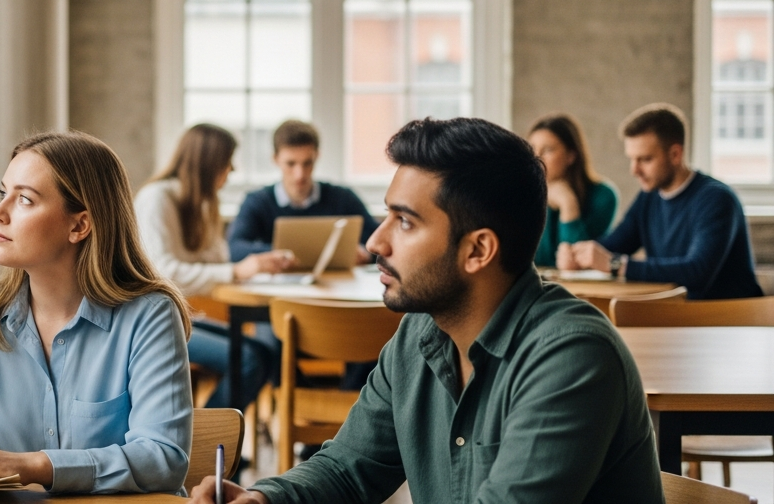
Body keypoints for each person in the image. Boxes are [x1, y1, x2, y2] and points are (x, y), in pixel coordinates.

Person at [190, 117, 663, 504]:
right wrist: (265, 500)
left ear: (478, 250)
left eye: (404, 222)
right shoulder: (418, 335)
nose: (376, 242)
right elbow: (347, 469)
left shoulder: (571, 356)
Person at [0, 131, 193, 495]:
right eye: (2, 193)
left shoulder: (149, 316)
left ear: (79, 225)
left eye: (24, 199)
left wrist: (33, 466)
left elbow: (163, 458)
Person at [135, 124, 294, 411]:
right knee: (248, 359)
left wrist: (254, 264)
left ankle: (214, 443)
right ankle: (206, 446)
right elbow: (163, 273)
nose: (231, 170)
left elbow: (218, 258)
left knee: (267, 353)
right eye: (227, 162)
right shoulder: (156, 198)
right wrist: (237, 271)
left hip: (176, 316)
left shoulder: (199, 203)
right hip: (147, 323)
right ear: (209, 164)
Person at [565, 103, 763, 300]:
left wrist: (615, 264)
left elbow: (697, 272)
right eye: (632, 159)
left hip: (730, 320)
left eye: (645, 159)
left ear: (675, 154)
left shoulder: (717, 199)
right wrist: (579, 255)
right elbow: (615, 244)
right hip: (678, 314)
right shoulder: (649, 197)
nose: (634, 171)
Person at [229, 120, 378, 264]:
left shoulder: (343, 198)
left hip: (336, 286)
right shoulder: (258, 201)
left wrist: (364, 253)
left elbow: (380, 242)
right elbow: (234, 248)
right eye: (290, 164)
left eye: (307, 163)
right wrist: (284, 254)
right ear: (275, 159)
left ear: (317, 156)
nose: (300, 174)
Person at [527, 113, 619, 267]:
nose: (537, 158)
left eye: (548, 150)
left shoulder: (603, 196)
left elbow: (577, 262)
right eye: (532, 149)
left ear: (571, 155)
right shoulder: (523, 195)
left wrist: (568, 205)